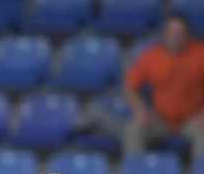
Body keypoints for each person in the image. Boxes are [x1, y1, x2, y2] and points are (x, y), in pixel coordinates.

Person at [78, 13, 204, 156]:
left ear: (187, 35)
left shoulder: (200, 53)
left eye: (179, 33)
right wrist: (140, 110)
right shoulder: (151, 55)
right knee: (133, 131)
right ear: (164, 34)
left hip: (191, 118)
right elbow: (129, 85)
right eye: (171, 32)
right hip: (160, 118)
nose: (175, 37)